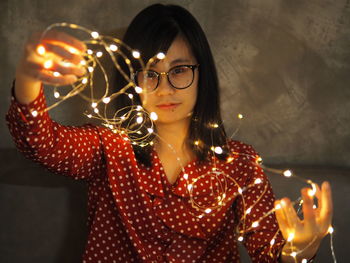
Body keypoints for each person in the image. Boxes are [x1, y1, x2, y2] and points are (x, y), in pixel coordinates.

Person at [6, 3, 332, 263]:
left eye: (179, 70)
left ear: (201, 73)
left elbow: (269, 254)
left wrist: (297, 254)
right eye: (150, 73)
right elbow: (41, 144)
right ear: (131, 79)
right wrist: (27, 78)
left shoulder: (240, 163)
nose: (164, 89)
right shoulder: (108, 148)